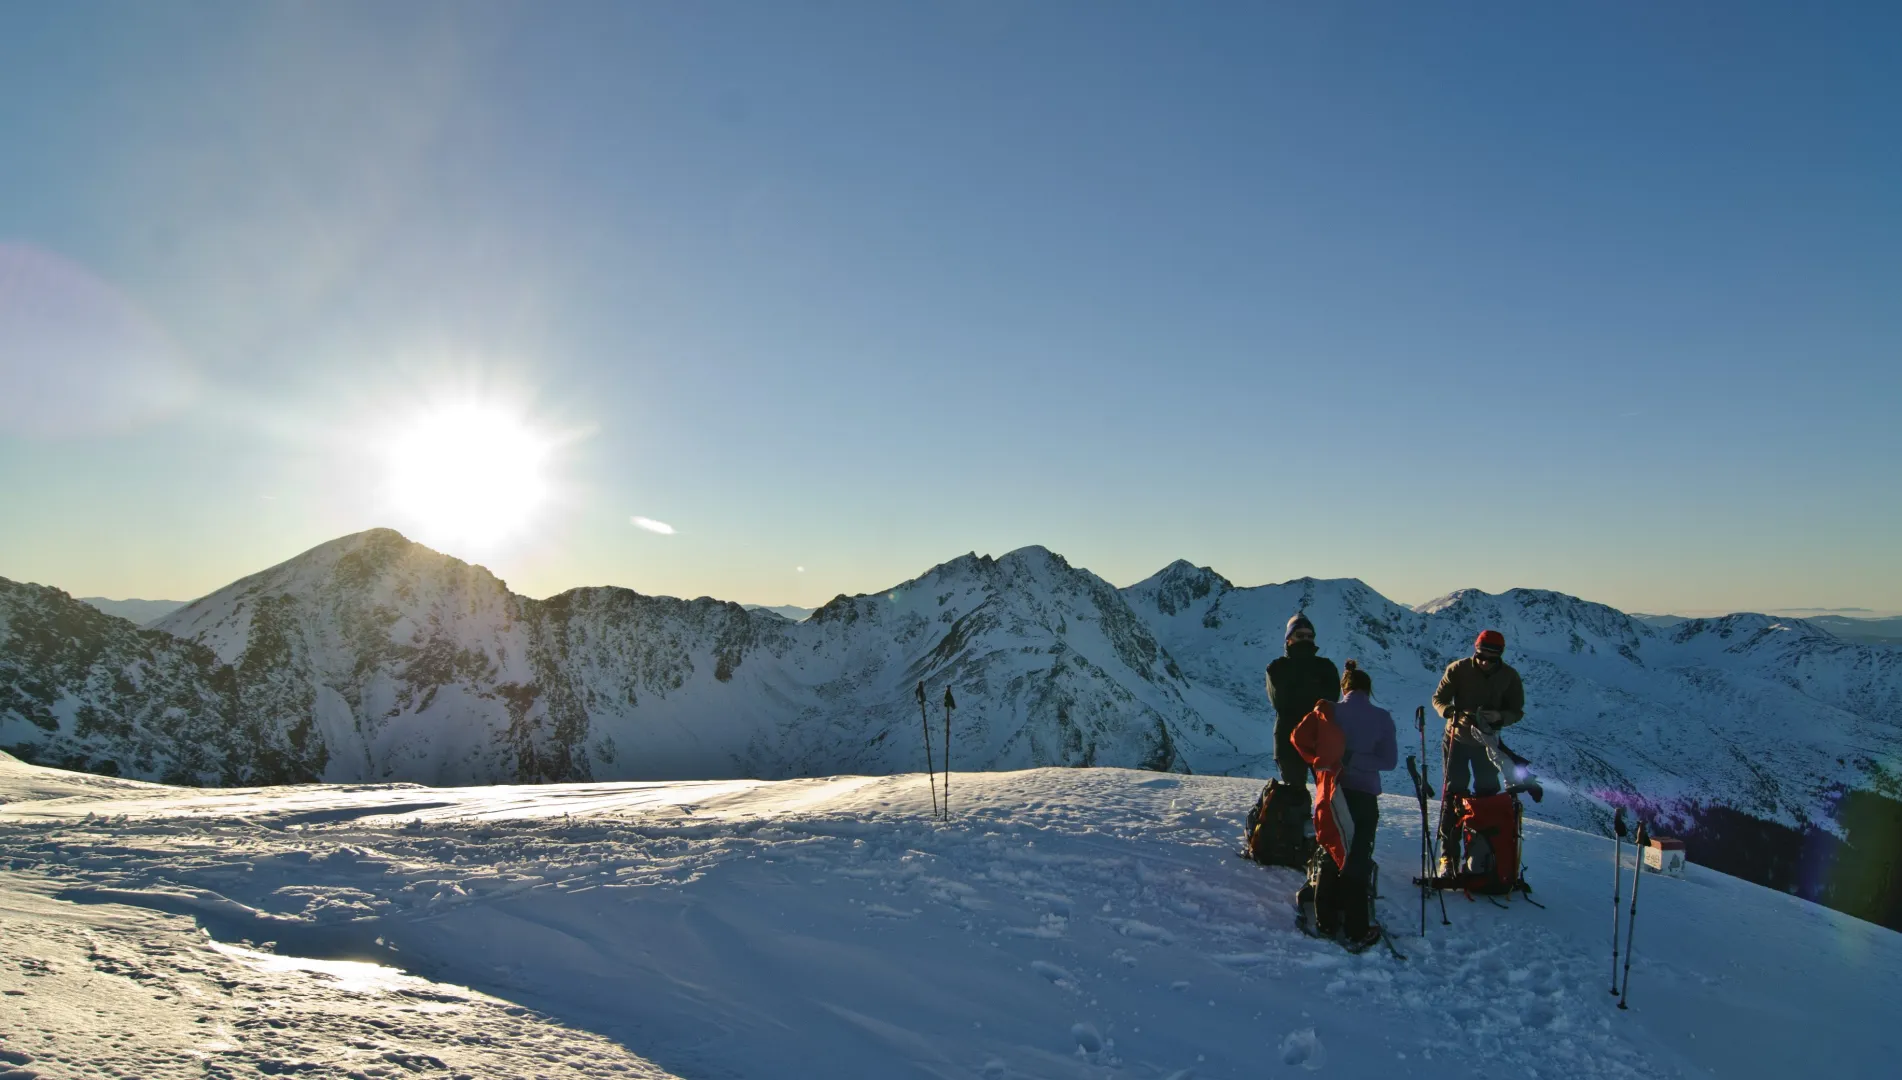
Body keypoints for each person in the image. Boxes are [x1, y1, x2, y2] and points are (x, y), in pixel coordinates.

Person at [1432, 628, 1527, 875]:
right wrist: (1450, 713)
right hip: (1457, 739)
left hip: (1487, 745)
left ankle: (1484, 857)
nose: (1484, 662)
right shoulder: (1458, 669)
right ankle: (1448, 858)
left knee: (1487, 797)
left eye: (1490, 658)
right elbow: (1439, 699)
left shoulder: (1509, 677)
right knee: (1454, 795)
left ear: (1500, 656)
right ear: (1475, 651)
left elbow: (1517, 711)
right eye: (1480, 656)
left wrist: (1499, 716)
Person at [1334, 659, 1398, 946]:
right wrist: (1357, 760)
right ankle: (1357, 926)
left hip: (1334, 794)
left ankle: (1327, 909)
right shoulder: (1382, 718)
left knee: (1332, 852)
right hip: (1364, 796)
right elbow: (1389, 761)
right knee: (1358, 858)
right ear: (1368, 690)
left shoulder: (1331, 712)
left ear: (1344, 687)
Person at [1265, 613, 1339, 791]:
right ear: (1289, 639)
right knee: (1295, 796)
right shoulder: (1277, 667)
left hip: (1318, 739)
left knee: (1329, 794)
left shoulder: (1325, 667)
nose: (1306, 639)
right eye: (1300, 635)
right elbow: (1281, 701)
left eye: (1310, 636)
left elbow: (1330, 702)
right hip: (1290, 741)